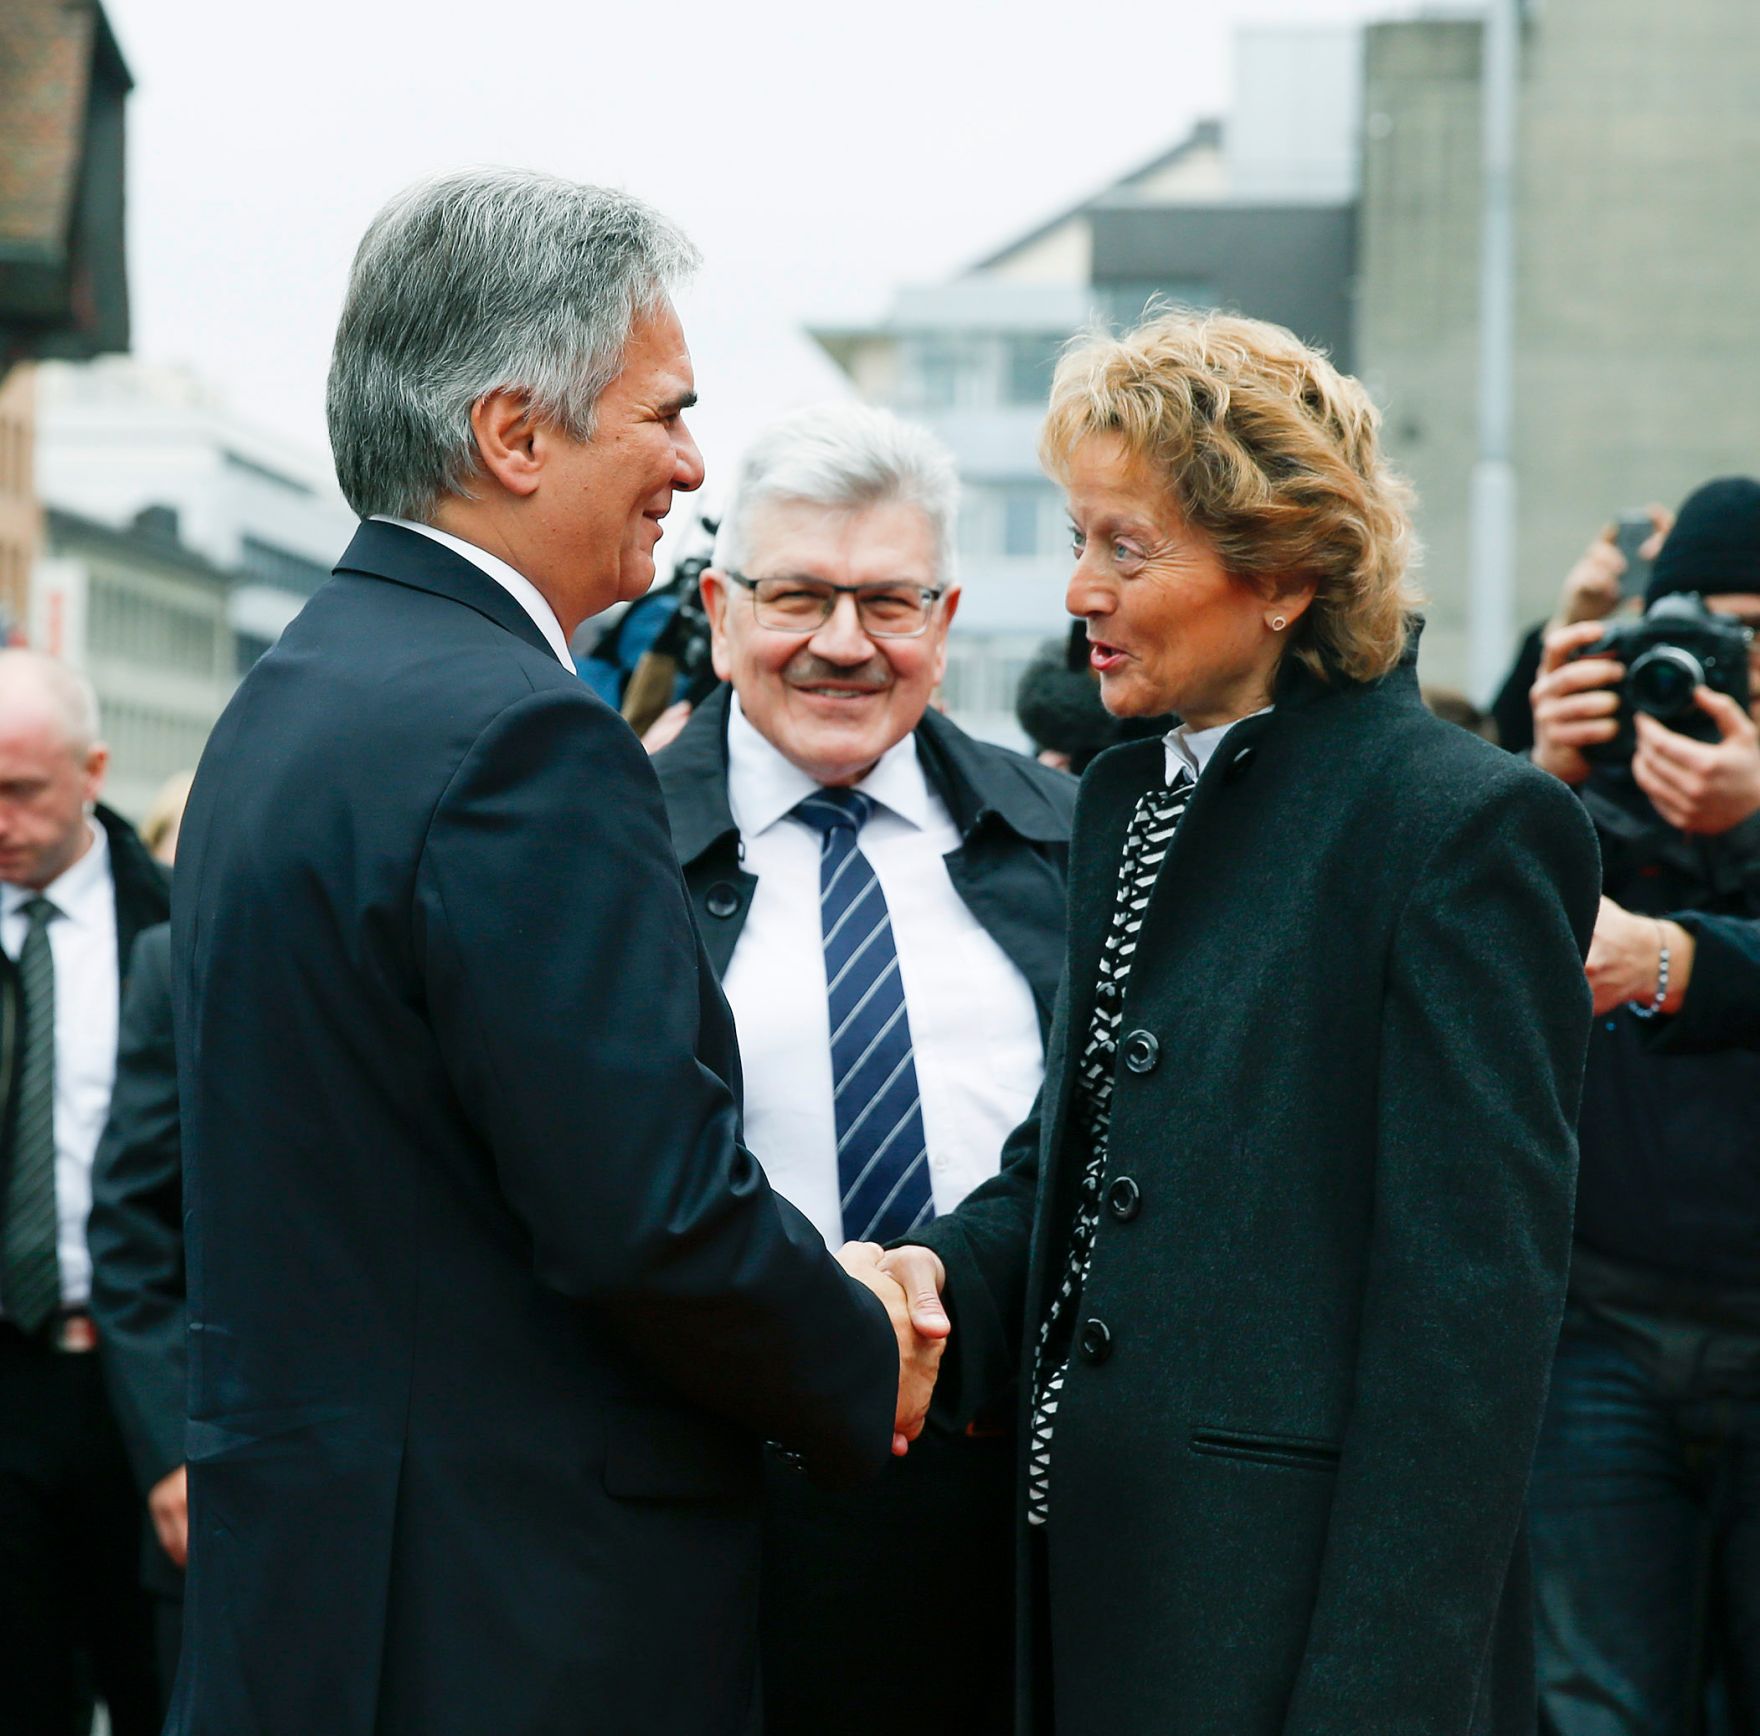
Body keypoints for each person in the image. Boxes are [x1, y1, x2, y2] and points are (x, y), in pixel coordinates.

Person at [165, 169, 941, 1736]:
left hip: (323, 1604)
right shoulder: (526, 735)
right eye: (662, 412)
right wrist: (863, 1335)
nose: (692, 463)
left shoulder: (290, 698)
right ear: (516, 436)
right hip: (514, 1622)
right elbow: (644, 1215)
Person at [881, 309, 1602, 1735]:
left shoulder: (1462, 824)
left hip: (1281, 1635)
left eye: (1124, 547)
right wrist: (918, 1277)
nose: (1078, 589)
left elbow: (1470, 1322)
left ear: (1281, 572)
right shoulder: (1128, 798)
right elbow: (1079, 1170)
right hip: (1078, 1586)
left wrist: (1375, 1700)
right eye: (1079, 538)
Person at [651, 403, 1075, 1736]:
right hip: (724, 1498)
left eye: (887, 602)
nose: (843, 644)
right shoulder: (604, 846)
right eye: (798, 598)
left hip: (1021, 1495)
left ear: (945, 621)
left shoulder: (1076, 839)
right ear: (722, 610)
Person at [1525, 475, 1760, 1733]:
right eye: (1707, 631)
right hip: (1600, 1328)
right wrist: (1532, 767)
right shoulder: (1585, 798)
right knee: (1595, 1703)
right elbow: (1453, 935)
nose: (1726, 669)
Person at [0, 649, 169, 1734]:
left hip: (138, 1386)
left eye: (21, 790)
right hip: (3, 1380)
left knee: (161, 1682)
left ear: (94, 770)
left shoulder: (180, 926)